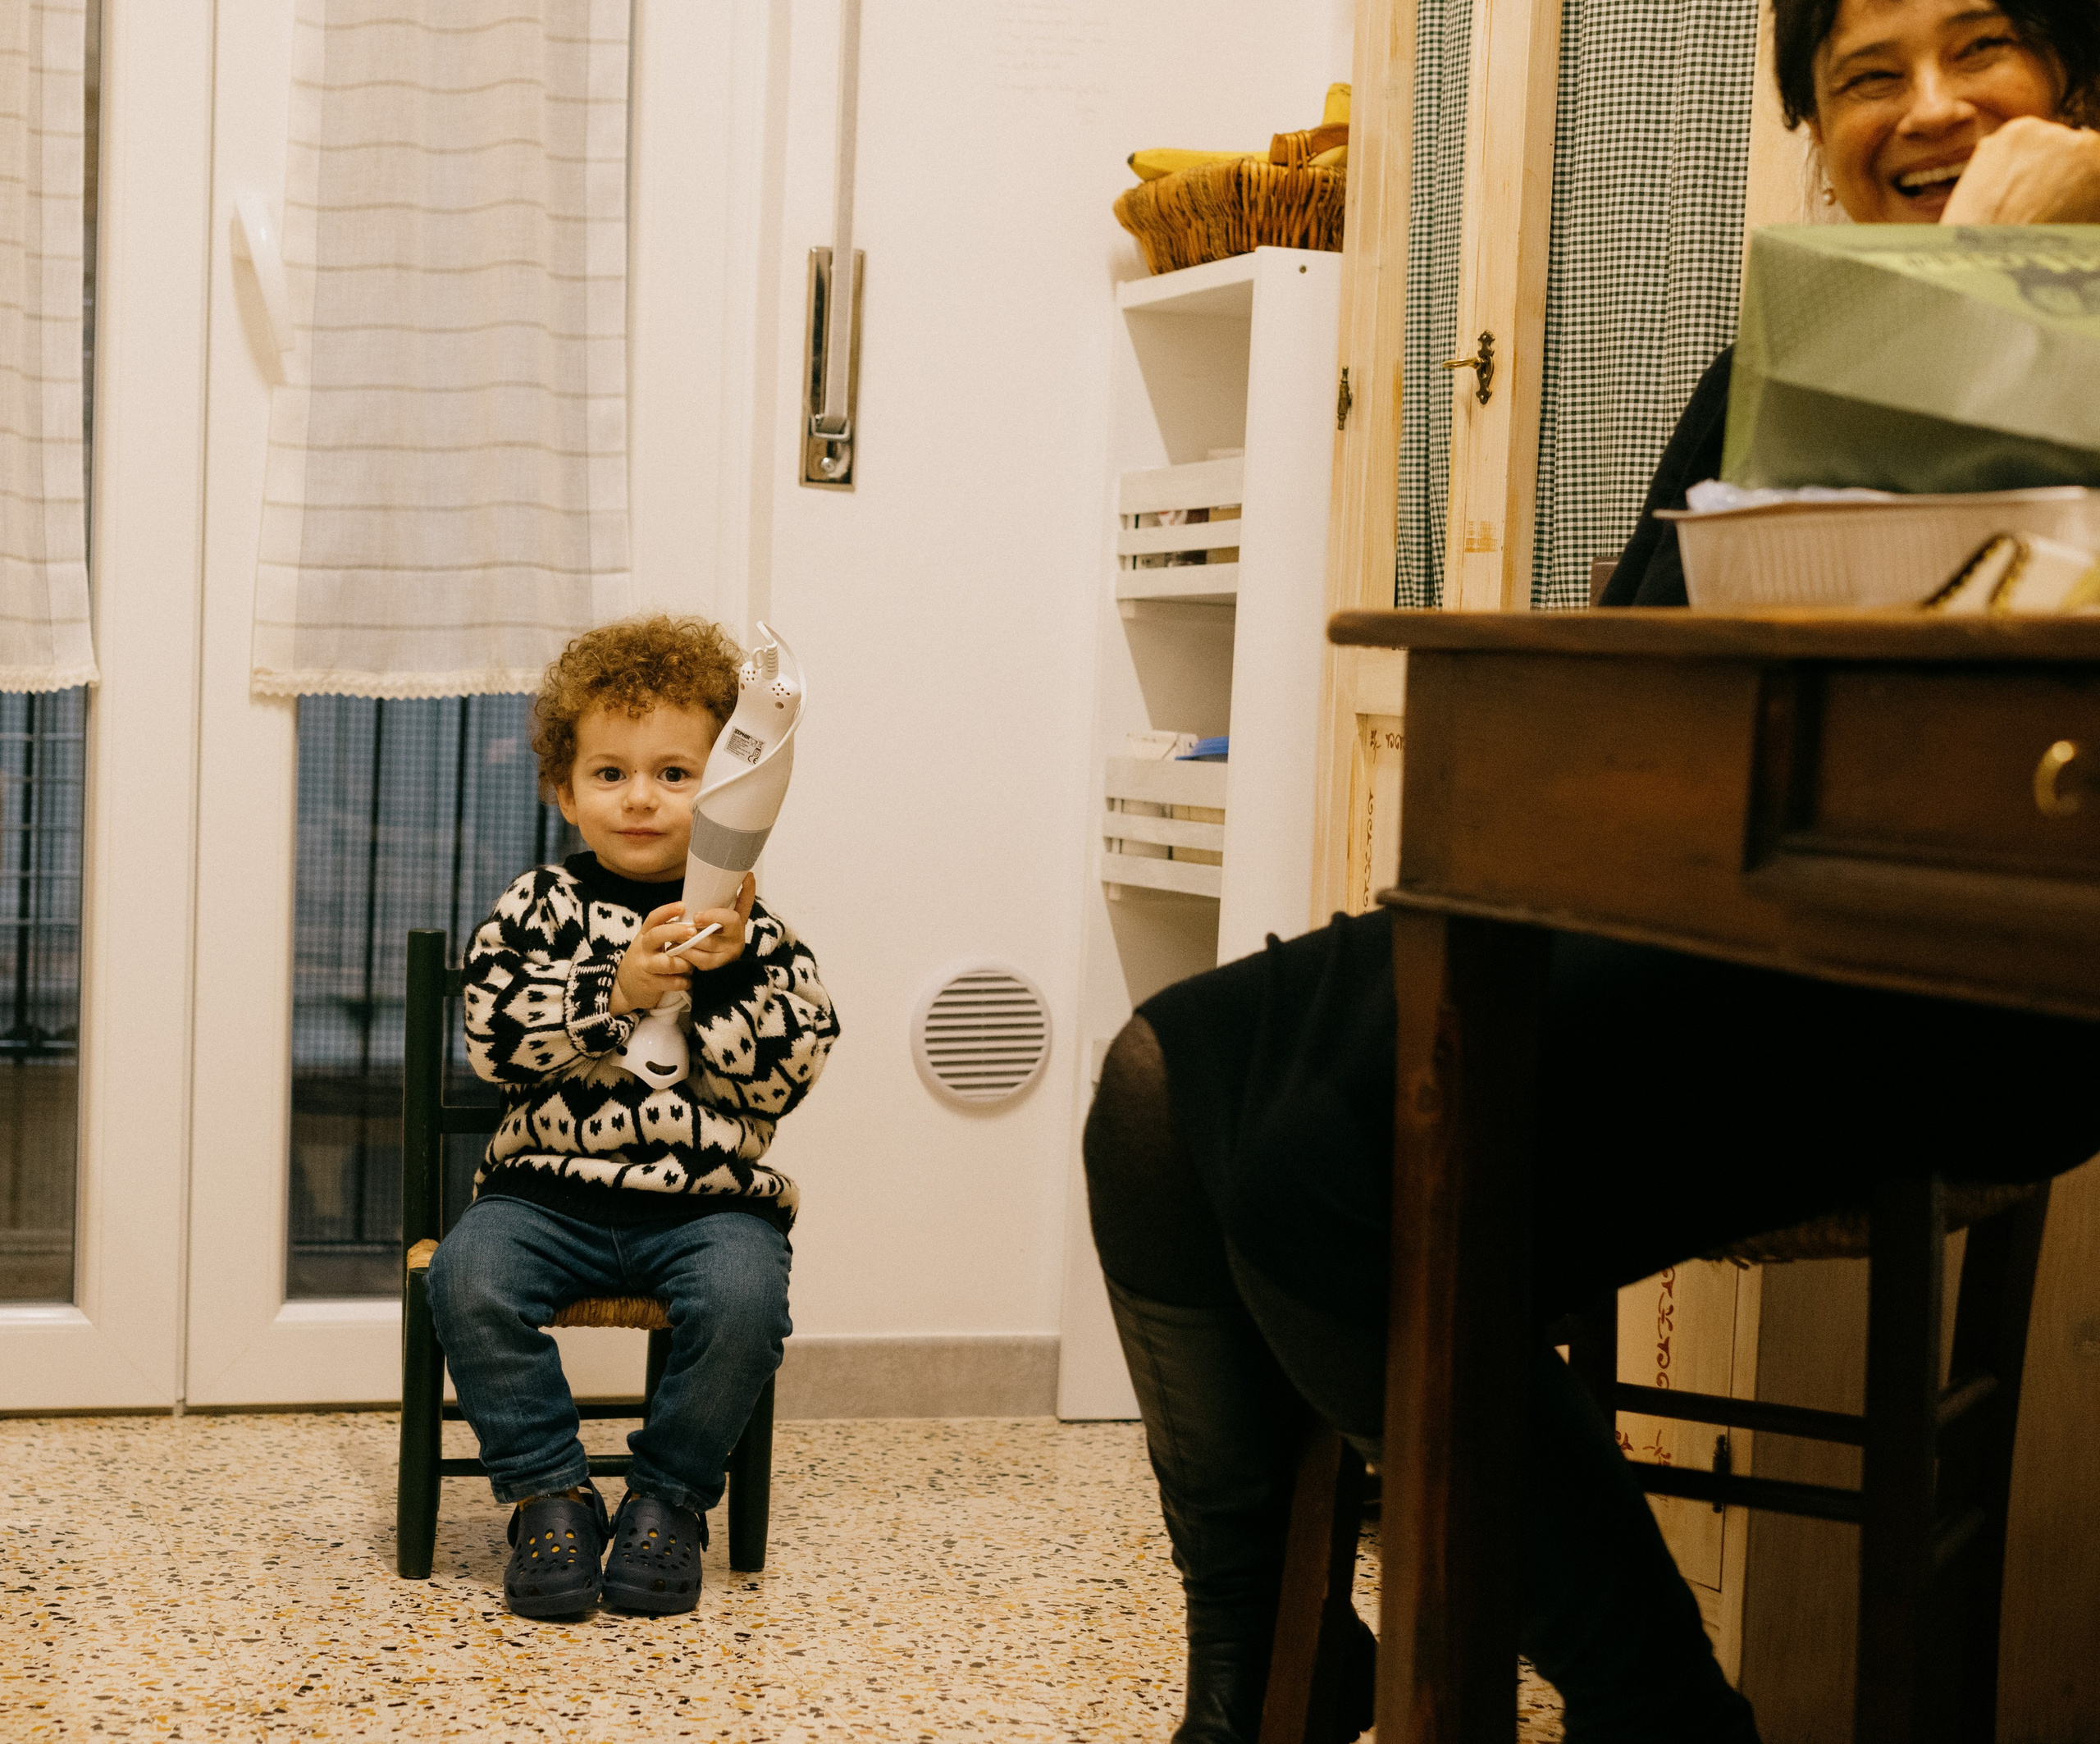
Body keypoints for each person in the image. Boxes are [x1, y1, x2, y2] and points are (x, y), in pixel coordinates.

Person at [1084, 2, 2100, 1738]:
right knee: (1155, 1086)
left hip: (1970, 991)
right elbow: (1637, 693)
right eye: (1865, 75)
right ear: (1811, 129)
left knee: (1336, 1175)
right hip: (1707, 926)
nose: (1924, 111)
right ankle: (1262, 1671)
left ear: (2073, 91)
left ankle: (1656, 1711)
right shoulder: (1790, 349)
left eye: (1978, 54)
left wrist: (2019, 285)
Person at [426, 614, 840, 1620]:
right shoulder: (534, 906)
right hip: (542, 1196)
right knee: (465, 1276)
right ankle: (548, 1490)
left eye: (674, 771)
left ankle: (668, 1495)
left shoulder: (756, 929)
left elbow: (786, 1072)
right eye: (610, 772)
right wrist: (611, 989)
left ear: (728, 789)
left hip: (709, 1208)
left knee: (747, 1299)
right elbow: (491, 1038)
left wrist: (725, 977)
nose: (642, 796)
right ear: (563, 789)